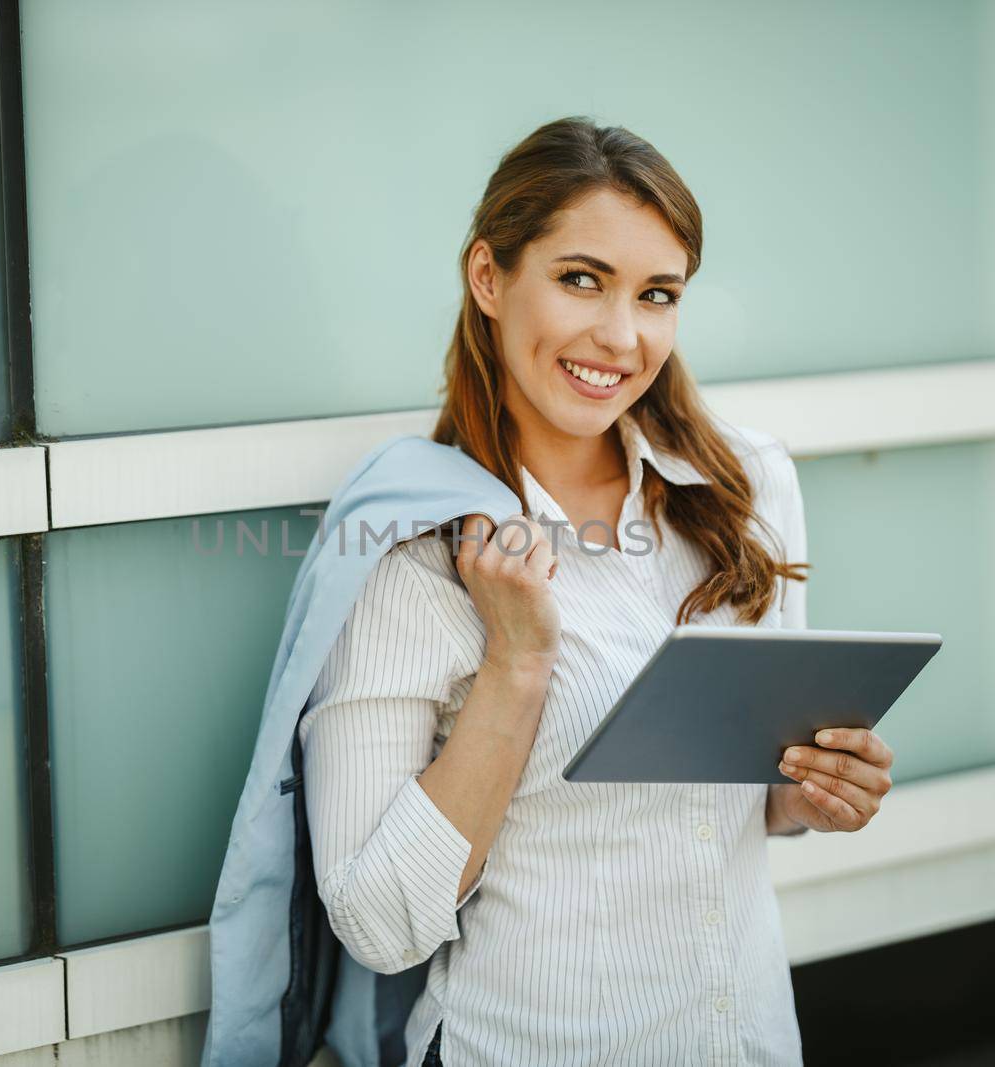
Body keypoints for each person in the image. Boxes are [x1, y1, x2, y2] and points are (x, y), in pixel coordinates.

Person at [298, 116, 897, 1066]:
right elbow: (378, 923)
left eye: (657, 294)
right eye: (582, 278)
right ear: (489, 277)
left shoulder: (746, 487)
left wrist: (813, 791)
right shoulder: (411, 549)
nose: (620, 336)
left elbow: (746, 800)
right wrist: (518, 663)